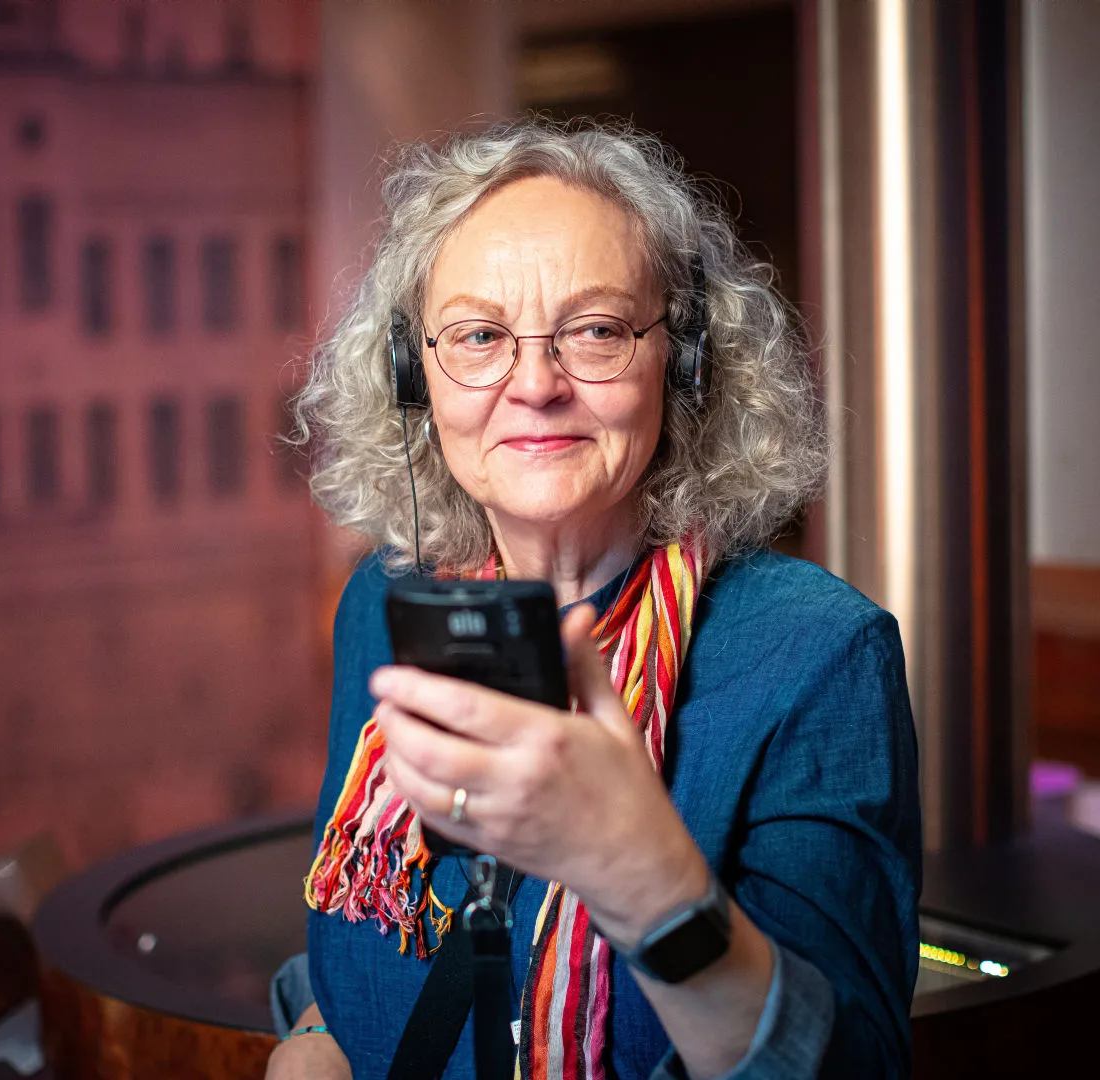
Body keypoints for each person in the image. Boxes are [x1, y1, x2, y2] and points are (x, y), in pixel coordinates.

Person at [268, 118, 920, 1080]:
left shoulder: (817, 655)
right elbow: (350, 954)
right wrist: (316, 1043)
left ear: (686, 364)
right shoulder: (385, 602)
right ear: (416, 376)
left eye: (597, 330)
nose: (535, 384)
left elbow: (844, 1066)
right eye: (480, 335)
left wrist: (640, 874)